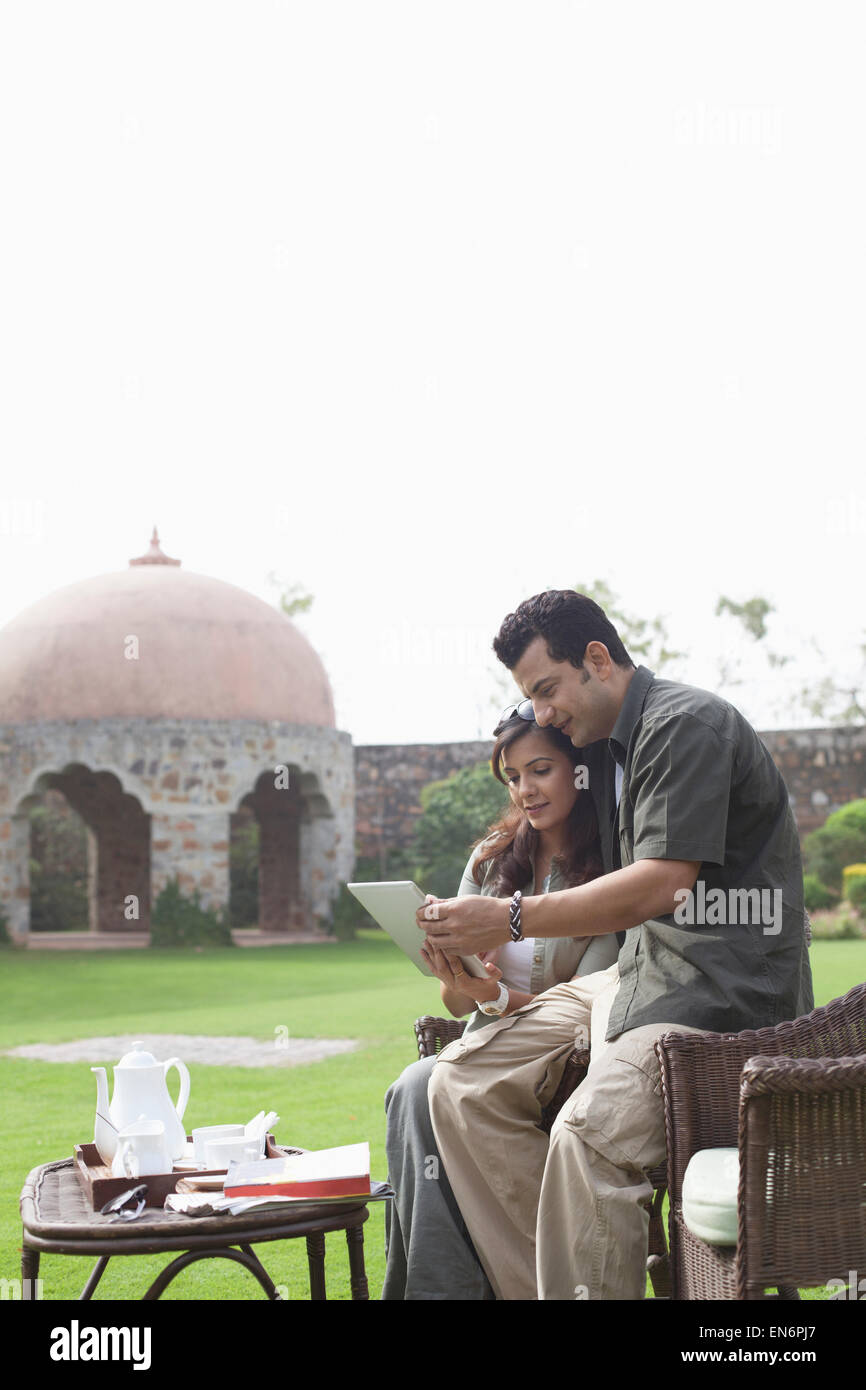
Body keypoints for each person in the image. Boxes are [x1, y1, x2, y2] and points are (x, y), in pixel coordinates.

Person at [419, 589, 814, 1300]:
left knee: (591, 1136)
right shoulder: (613, 752)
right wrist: (476, 968)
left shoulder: (684, 725)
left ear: (597, 660)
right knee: (458, 1085)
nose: (541, 714)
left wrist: (506, 918)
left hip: (714, 995)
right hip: (639, 975)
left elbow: (661, 886)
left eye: (546, 689)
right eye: (530, 698)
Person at [382, 710, 619, 1300]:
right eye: (512, 777)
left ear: (580, 771)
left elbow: (587, 1009)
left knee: (420, 1087)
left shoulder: (609, 873)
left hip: (565, 1061)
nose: (525, 790)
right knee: (413, 1089)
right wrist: (458, 970)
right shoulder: (491, 861)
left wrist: (495, 996)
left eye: (541, 770)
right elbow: (452, 999)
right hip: (483, 1043)